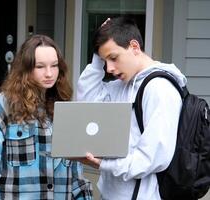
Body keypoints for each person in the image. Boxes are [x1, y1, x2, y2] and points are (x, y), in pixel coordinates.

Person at [77, 17, 187, 199]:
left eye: (113, 58)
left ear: (134, 47)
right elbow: (87, 102)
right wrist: (99, 53)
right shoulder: (123, 84)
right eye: (105, 61)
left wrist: (103, 164)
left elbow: (151, 158)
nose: (109, 68)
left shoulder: (159, 89)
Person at [0, 34, 93, 199]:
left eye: (55, 65)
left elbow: (77, 176)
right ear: (26, 69)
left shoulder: (65, 107)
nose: (49, 73)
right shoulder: (1, 107)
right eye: (40, 66)